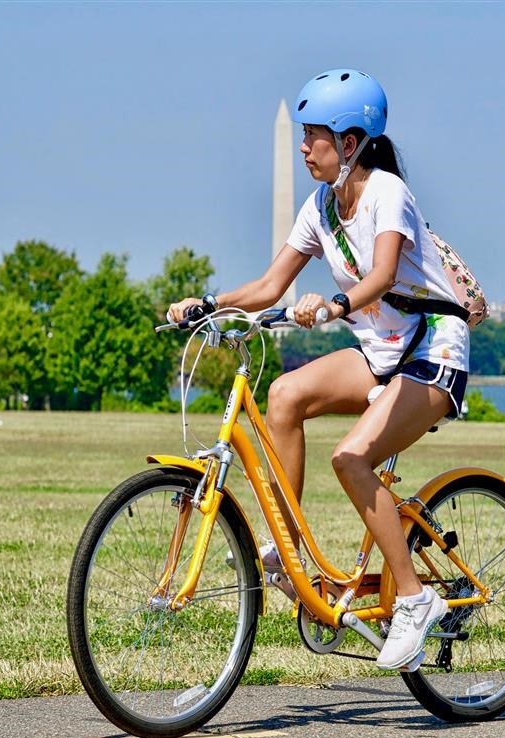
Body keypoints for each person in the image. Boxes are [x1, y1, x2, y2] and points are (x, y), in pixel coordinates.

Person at [168, 68, 470, 671]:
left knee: (350, 458)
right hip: (381, 352)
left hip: (433, 349)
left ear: (351, 143)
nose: (303, 148)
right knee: (283, 395)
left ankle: (415, 600)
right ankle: (287, 552)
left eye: (315, 137)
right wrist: (208, 304)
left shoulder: (387, 193)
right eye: (302, 137)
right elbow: (268, 285)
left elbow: (382, 276)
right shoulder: (320, 207)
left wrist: (333, 305)